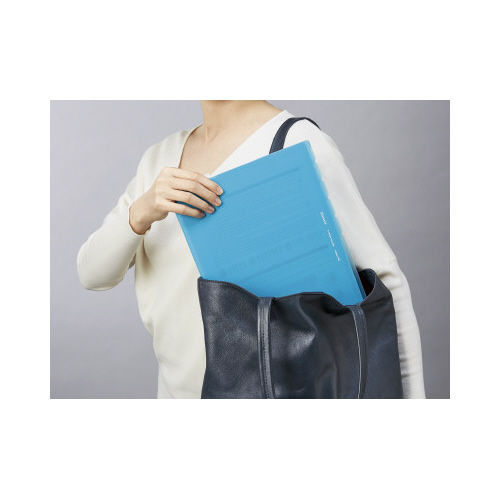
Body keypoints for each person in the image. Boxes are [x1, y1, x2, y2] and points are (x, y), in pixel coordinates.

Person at [77, 100, 426, 399]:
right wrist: (141, 211)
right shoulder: (158, 160)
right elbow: (92, 274)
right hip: (173, 394)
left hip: (271, 391)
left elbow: (386, 283)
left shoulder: (294, 142)